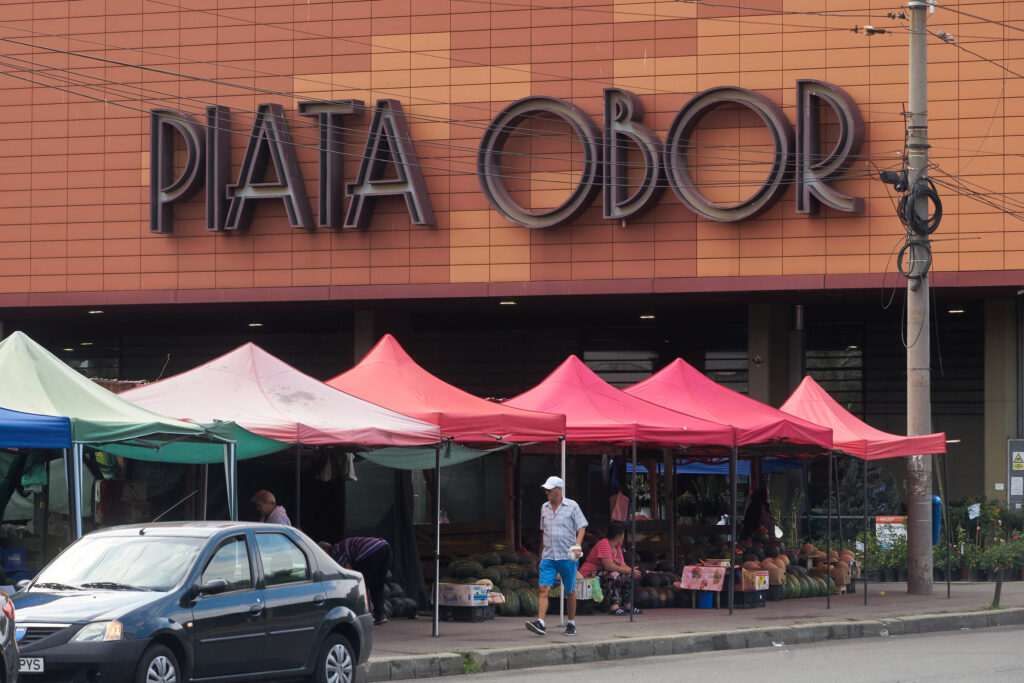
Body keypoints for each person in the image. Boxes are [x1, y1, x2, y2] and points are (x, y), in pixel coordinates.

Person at [526, 476, 588, 637]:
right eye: (546, 490)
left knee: (570, 591)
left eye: (549, 490)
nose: (546, 492)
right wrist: (541, 554)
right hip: (548, 556)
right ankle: (540, 622)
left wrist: (577, 545)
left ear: (559, 490)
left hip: (567, 556)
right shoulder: (544, 507)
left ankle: (571, 623)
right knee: (543, 588)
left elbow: (582, 527)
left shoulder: (572, 506)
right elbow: (543, 532)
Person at [320, 537, 393, 625]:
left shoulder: (336, 553)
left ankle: (367, 616)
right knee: (378, 584)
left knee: (362, 586)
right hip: (385, 547)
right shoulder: (342, 546)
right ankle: (380, 616)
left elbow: (350, 573)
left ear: (325, 551)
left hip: (370, 552)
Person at [578, 523, 642, 615]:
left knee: (627, 575)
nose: (623, 538)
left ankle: (628, 606)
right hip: (588, 574)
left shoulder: (617, 547)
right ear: (618, 536)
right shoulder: (604, 544)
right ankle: (614, 607)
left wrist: (632, 572)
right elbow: (609, 566)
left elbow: (622, 565)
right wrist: (629, 570)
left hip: (602, 573)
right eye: (623, 535)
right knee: (613, 574)